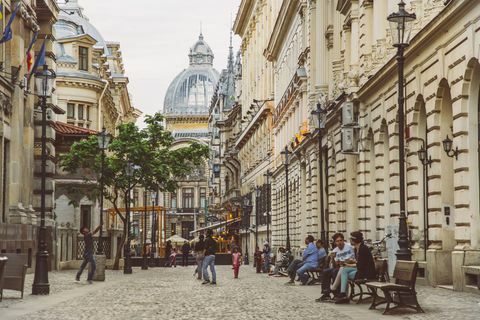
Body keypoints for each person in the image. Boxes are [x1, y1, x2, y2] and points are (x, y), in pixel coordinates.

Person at [335, 231, 376, 304]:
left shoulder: (363, 249)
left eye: (351, 239)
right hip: (362, 271)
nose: (350, 240)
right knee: (345, 270)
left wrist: (349, 265)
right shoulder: (357, 248)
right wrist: (351, 262)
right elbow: (359, 263)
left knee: (344, 271)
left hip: (366, 273)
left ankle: (342, 294)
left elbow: (361, 265)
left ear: (355, 240)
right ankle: (343, 294)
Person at [317, 233, 355, 301]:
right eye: (337, 241)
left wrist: (343, 262)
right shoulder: (335, 250)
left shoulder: (349, 247)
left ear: (343, 240)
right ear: (335, 242)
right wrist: (332, 258)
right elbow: (335, 265)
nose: (339, 242)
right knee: (326, 272)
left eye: (341, 240)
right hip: (339, 267)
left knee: (335, 272)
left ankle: (337, 294)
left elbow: (352, 259)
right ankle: (326, 293)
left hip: (348, 267)